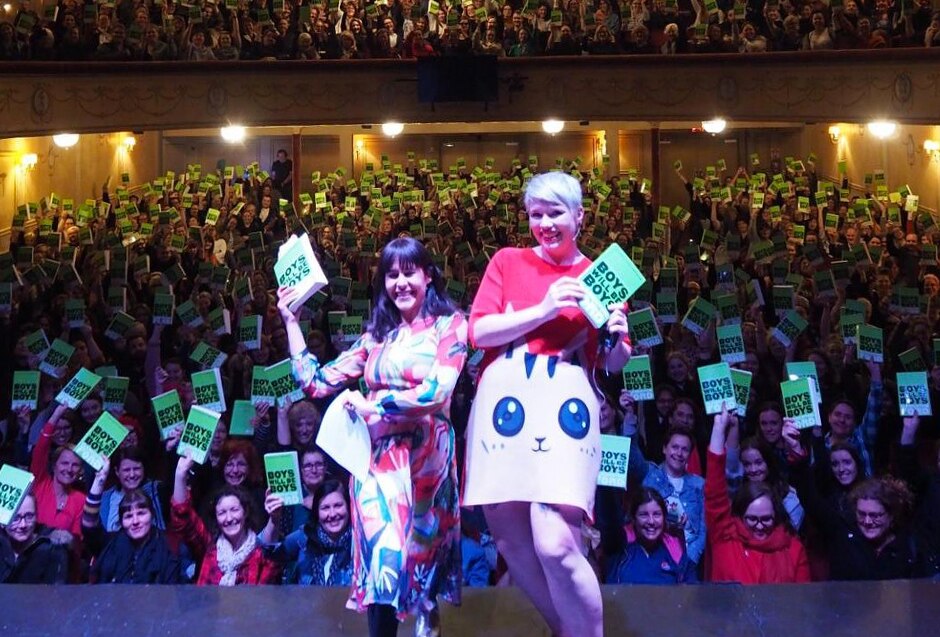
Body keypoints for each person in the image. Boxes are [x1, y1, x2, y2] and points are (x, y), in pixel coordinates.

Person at [465, 171, 632, 637]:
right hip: (503, 405)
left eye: (555, 212)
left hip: (563, 403)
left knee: (556, 542)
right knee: (510, 539)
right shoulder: (507, 260)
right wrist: (543, 309)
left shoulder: (598, 274)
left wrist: (617, 334)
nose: (545, 223)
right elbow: (478, 332)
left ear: (580, 215)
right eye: (536, 214)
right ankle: (566, 629)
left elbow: (613, 364)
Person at [277, 237, 468, 637]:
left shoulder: (451, 326)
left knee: (420, 567)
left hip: (428, 464)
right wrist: (292, 322)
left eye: (409, 272)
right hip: (378, 460)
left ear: (428, 275)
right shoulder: (376, 337)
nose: (400, 282)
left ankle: (425, 625)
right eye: (391, 275)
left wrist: (376, 406)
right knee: (383, 560)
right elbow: (315, 383)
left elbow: (437, 392)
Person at [706, 404, 810, 584]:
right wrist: (718, 429)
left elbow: (802, 601)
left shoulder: (792, 547)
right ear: (740, 516)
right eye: (752, 519)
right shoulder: (726, 536)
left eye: (766, 519)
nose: (759, 526)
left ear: (776, 516)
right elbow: (714, 494)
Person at [170, 454, 281, 586]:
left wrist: (275, 518)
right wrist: (180, 474)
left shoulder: (259, 553)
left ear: (245, 512)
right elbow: (184, 518)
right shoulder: (209, 549)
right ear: (216, 518)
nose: (229, 518)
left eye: (234, 510)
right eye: (222, 513)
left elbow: (270, 550)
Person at [83, 457, 181, 584]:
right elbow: (89, 525)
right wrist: (100, 480)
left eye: (141, 513)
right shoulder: (110, 544)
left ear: (151, 515)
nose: (135, 521)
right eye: (128, 516)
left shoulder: (167, 549)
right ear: (121, 521)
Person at [262, 479, 353, 585]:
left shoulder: (360, 542)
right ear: (317, 512)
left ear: (348, 507)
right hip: (309, 601)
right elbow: (270, 553)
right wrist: (274, 519)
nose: (332, 514)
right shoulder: (305, 536)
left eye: (338, 505)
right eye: (325, 508)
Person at [602, 488, 698, 584]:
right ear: (633, 518)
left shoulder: (675, 548)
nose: (651, 521)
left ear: (664, 517)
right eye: (644, 515)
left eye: (657, 514)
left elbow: (690, 590)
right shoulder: (619, 544)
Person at [0, 494, 69, 584]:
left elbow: (56, 593)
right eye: (15, 518)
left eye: (29, 516)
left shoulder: (52, 550)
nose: (23, 525)